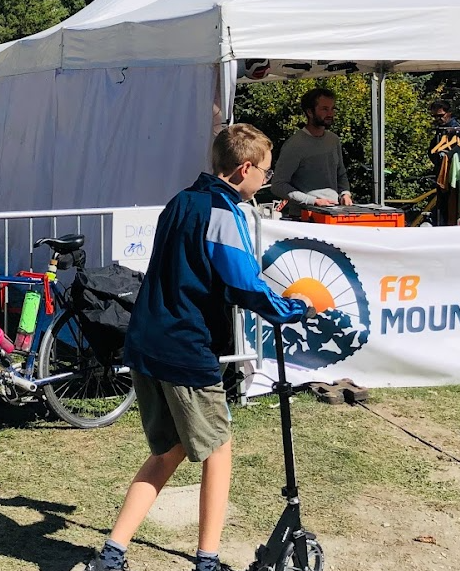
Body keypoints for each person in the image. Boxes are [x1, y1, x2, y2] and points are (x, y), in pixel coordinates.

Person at [86, 124, 308, 571]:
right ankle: (207, 561)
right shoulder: (223, 212)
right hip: (185, 347)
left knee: (169, 451)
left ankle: (112, 555)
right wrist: (291, 309)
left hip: (148, 341)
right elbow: (243, 284)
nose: (265, 181)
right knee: (218, 450)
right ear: (244, 168)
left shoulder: (180, 200)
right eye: (264, 172)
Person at [272, 87, 352, 207]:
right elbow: (278, 185)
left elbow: (341, 174)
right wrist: (313, 201)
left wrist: (345, 194)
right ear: (309, 112)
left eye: (332, 109)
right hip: (305, 217)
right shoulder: (294, 145)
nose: (330, 114)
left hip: (334, 212)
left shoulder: (333, 140)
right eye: (325, 109)